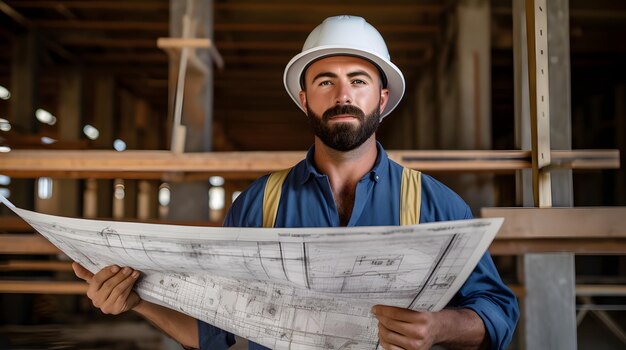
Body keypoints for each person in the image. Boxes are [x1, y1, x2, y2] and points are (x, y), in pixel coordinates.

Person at [73, 15, 519, 350]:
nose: (343, 95)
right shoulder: (256, 205)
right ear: (304, 99)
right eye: (325, 82)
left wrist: (440, 327)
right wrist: (137, 302)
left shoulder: (436, 205)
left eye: (358, 81)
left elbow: (499, 311)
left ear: (381, 98)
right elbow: (215, 331)